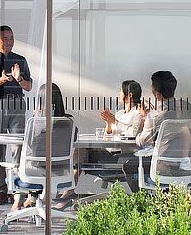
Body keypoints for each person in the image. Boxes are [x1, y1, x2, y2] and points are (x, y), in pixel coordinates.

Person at [60, 80, 146, 209]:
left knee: (83, 152)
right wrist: (108, 123)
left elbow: (133, 134)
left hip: (123, 156)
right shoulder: (120, 113)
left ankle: (68, 192)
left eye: (121, 91)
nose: (119, 93)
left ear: (130, 95)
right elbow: (109, 135)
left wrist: (114, 121)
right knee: (82, 149)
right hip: (109, 151)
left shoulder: (137, 114)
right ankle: (69, 189)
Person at [0, 25, 33, 206]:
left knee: (18, 148)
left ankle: (17, 190)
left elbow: (28, 87)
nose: (9, 41)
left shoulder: (21, 60)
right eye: (5, 38)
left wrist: (18, 78)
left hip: (17, 103)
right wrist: (3, 79)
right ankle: (2, 191)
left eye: (12, 38)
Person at [123, 70, 191, 192]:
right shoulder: (188, 108)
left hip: (163, 167)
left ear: (157, 94)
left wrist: (145, 119)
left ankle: (142, 203)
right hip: (187, 165)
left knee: (128, 165)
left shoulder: (156, 116)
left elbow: (141, 142)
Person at [10, 84, 76, 213]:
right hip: (60, 171)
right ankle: (31, 200)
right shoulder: (68, 122)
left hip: (36, 171)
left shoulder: (36, 123)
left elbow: (31, 147)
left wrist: (37, 115)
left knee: (17, 166)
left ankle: (17, 204)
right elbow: (72, 140)